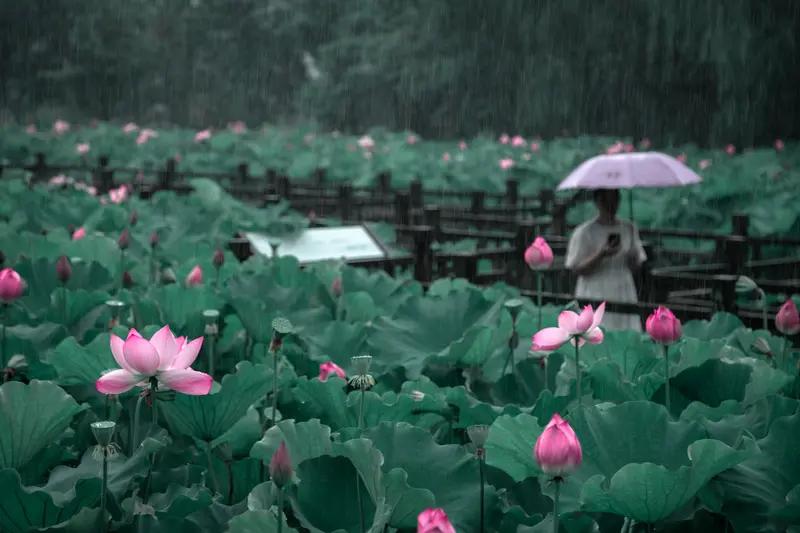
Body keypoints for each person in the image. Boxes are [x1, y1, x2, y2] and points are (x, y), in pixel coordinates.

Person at [564, 189, 647, 331]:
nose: (611, 205)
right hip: (594, 289)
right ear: (597, 201)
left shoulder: (629, 228)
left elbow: (637, 265)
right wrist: (600, 254)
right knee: (597, 332)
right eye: (606, 201)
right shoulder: (584, 232)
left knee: (624, 332)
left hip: (623, 288)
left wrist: (633, 257)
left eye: (614, 200)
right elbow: (576, 268)